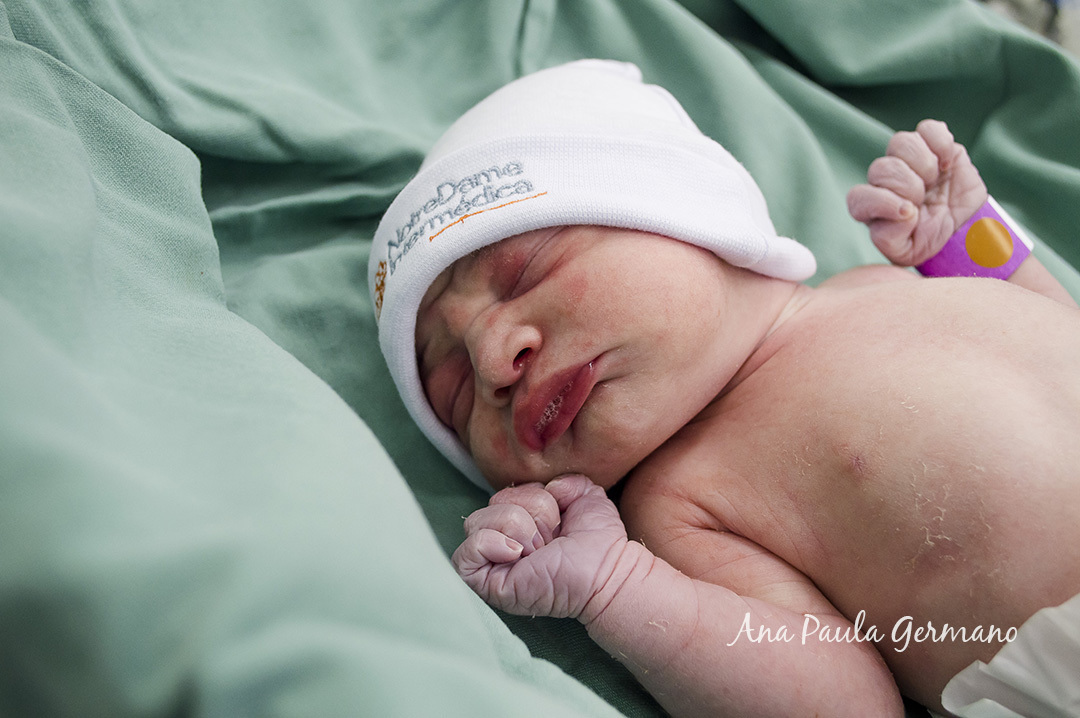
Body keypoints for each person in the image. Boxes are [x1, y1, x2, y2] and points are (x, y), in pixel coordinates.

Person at [368, 60, 1080, 717]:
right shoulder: (679, 502)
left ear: (680, 207)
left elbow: (1049, 331)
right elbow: (847, 702)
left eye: (525, 271)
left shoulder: (876, 282)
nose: (494, 361)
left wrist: (974, 242)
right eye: (455, 395)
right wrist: (615, 587)